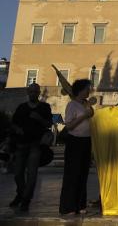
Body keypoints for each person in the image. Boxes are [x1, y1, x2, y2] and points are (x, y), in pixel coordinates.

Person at [10, 83, 52, 212]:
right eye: (31, 91)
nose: (33, 94)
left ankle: (25, 200)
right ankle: (21, 194)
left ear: (39, 93)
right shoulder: (22, 107)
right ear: (28, 92)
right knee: (17, 174)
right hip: (21, 144)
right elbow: (13, 123)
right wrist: (18, 129)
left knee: (32, 175)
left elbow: (49, 124)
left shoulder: (44, 107)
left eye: (35, 91)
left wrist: (39, 118)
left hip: (36, 145)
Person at [59, 79, 94, 215]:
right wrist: (84, 116)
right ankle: (68, 206)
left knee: (83, 173)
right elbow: (69, 125)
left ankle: (80, 204)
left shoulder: (86, 104)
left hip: (87, 140)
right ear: (80, 90)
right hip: (75, 141)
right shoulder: (72, 105)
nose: (89, 91)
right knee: (72, 174)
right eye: (87, 88)